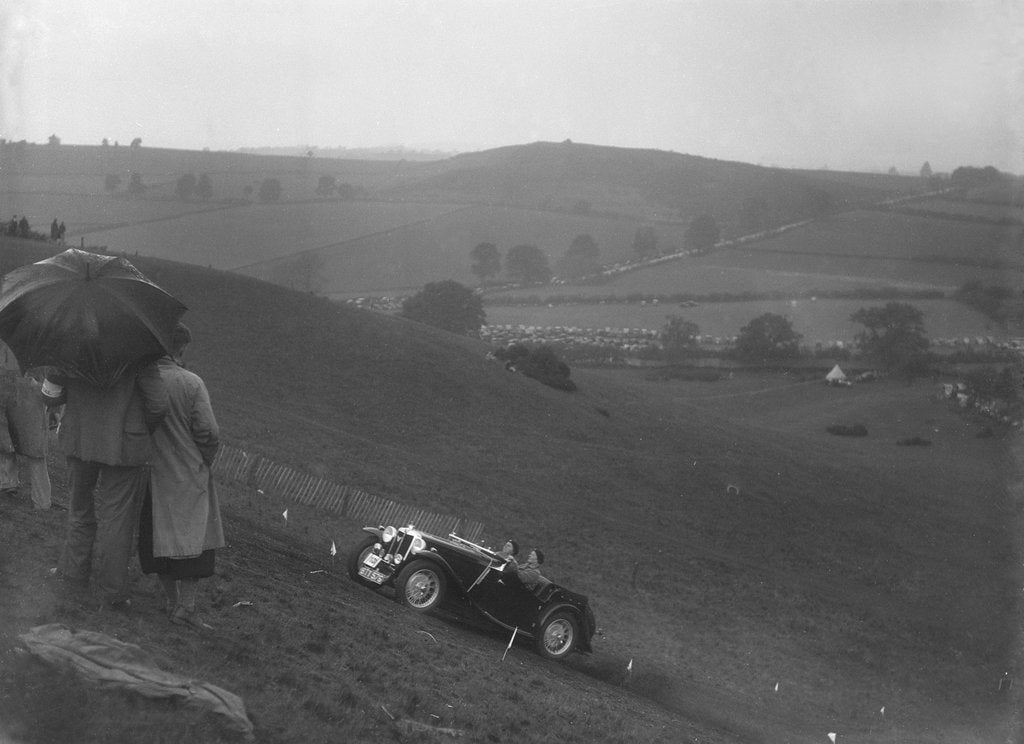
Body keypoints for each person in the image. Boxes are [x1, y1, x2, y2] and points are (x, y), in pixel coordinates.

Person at [41, 357, 168, 608]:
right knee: (118, 518)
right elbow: (158, 405)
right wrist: (140, 429)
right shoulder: (141, 353)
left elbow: (50, 396)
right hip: (124, 444)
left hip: (79, 438)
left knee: (79, 508)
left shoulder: (71, 344)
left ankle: (72, 574)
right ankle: (112, 590)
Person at [138, 322, 224, 631]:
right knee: (193, 542)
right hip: (186, 471)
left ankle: (170, 600)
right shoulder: (190, 383)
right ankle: (186, 608)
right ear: (180, 348)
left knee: (157, 536)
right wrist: (205, 459)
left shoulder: (141, 378)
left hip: (149, 470)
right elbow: (208, 431)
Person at [0, 370, 53, 509]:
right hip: (5, 388)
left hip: (32, 391)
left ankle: (42, 500)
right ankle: (7, 483)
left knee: (35, 449)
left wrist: (56, 409)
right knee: (5, 441)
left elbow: (53, 375)